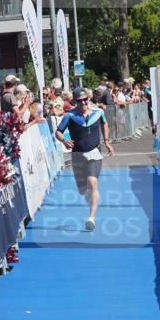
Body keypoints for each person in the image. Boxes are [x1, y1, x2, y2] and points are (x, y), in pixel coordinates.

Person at [56, 87, 114, 232]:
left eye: (85, 99)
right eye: (79, 100)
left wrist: (106, 141)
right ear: (75, 101)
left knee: (92, 182)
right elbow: (58, 132)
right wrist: (64, 141)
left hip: (94, 153)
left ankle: (91, 218)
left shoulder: (98, 112)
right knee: (82, 190)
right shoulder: (70, 116)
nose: (83, 103)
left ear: (88, 99)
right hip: (77, 155)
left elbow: (104, 123)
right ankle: (88, 194)